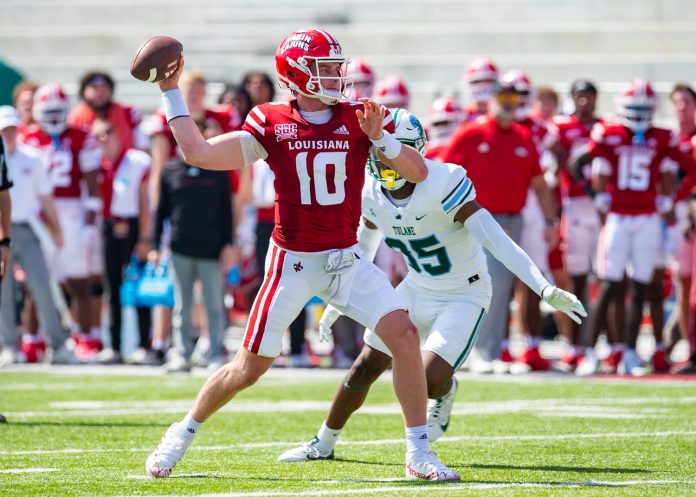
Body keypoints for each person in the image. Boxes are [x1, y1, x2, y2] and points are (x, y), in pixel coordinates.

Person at [144, 28, 459, 481]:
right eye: (326, 69)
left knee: (405, 336)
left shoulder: (359, 115)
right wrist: (171, 92)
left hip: (347, 259)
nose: (336, 77)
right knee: (248, 368)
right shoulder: (271, 120)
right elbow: (198, 153)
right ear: (297, 73)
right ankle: (181, 433)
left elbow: (418, 169)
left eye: (337, 68)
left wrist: (382, 140)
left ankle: (417, 452)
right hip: (292, 262)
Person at [277, 109, 585, 463]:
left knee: (428, 379)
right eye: (380, 150)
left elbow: (497, 241)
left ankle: (447, 389)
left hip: (463, 294)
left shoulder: (444, 181)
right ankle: (323, 442)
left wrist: (543, 287)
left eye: (395, 149)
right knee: (365, 365)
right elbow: (362, 248)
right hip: (417, 286)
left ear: (415, 150)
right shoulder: (371, 193)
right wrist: (338, 300)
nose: (386, 159)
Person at [571, 79, 696, 375]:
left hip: (648, 219)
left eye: (644, 108)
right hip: (617, 217)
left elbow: (691, 168)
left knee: (640, 287)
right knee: (607, 284)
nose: (639, 114)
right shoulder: (609, 133)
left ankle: (628, 351)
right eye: (634, 108)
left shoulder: (662, 136)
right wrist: (595, 194)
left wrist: (673, 198)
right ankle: (588, 351)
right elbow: (577, 164)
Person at [440, 74, 558, 373]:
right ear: (492, 101)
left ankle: (491, 350)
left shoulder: (522, 137)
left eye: (514, 100)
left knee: (502, 288)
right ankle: (479, 350)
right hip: (476, 218)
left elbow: (539, 183)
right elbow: (443, 172)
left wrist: (549, 220)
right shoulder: (471, 133)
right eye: (503, 99)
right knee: (485, 284)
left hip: (512, 220)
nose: (509, 105)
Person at [21, 84, 104, 361]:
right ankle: (32, 340)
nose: (54, 118)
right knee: (37, 282)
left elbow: (93, 185)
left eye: (59, 112)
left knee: (79, 282)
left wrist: (90, 224)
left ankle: (86, 336)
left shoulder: (81, 136)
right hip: (39, 213)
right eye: (49, 112)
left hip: (71, 213)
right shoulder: (29, 138)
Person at [150, 117, 235, 373]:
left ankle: (215, 352)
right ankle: (182, 354)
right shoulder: (170, 170)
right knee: (182, 305)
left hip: (211, 249)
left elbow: (226, 211)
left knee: (213, 304)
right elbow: (161, 212)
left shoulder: (218, 171)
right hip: (180, 248)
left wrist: (228, 245)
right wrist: (154, 245)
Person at [0, 106, 66, 364]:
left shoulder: (33, 157)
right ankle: (8, 346)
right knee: (3, 291)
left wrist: (58, 228)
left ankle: (58, 345)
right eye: (4, 129)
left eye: (12, 128)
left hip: (27, 229)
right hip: (1, 230)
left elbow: (45, 197)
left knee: (42, 286)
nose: (9, 134)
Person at [552, 80, 603, 375]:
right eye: (579, 96)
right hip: (574, 205)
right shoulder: (562, 128)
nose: (584, 102)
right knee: (577, 278)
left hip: (603, 207)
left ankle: (604, 344)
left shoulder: (604, 127)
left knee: (608, 278)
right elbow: (556, 159)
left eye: (589, 96)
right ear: (573, 99)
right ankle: (575, 345)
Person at [92, 118, 152, 364]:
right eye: (98, 136)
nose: (103, 140)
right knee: (113, 287)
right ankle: (115, 345)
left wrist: (145, 238)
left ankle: (143, 345)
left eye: (107, 133)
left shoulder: (136, 161)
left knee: (139, 287)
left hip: (133, 226)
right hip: (109, 227)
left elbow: (145, 202)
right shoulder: (99, 163)